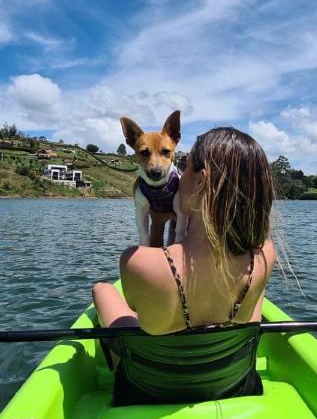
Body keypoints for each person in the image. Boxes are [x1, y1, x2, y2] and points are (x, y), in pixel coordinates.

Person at [93, 127, 276, 404]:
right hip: (232, 386)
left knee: (102, 289)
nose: (178, 176)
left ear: (201, 181)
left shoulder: (137, 262)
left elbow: (136, 306)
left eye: (185, 168)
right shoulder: (265, 254)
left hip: (146, 391)